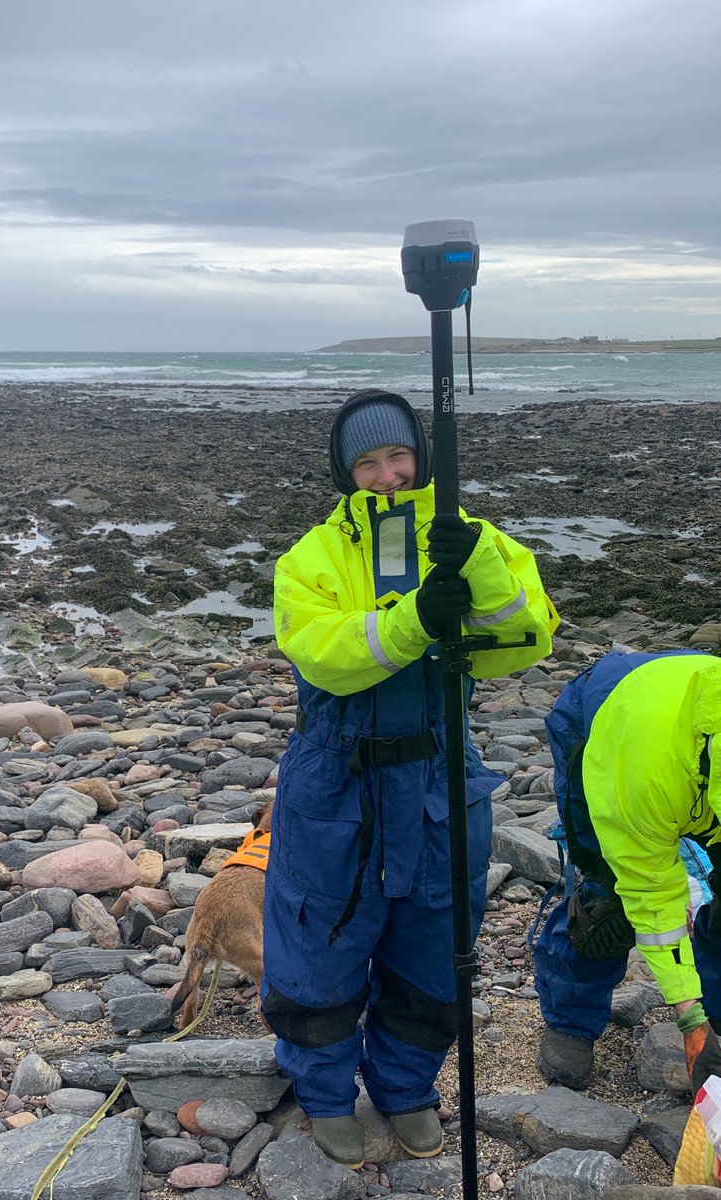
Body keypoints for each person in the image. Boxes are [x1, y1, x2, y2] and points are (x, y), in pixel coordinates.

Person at [261, 388, 558, 1170]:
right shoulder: (310, 559)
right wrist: (419, 616)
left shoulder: (472, 535)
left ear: (422, 460)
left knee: (436, 942)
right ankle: (325, 1093)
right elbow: (325, 653)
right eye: (368, 463)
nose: (387, 476)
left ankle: (406, 1086)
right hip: (336, 778)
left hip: (438, 773)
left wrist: (477, 569)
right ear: (345, 472)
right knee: (319, 939)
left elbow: (523, 641)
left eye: (399, 457)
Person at [533, 649, 721, 1095]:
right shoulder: (645, 781)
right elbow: (653, 900)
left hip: (687, 691)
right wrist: (688, 1020)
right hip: (603, 715)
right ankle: (571, 1018)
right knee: (611, 894)